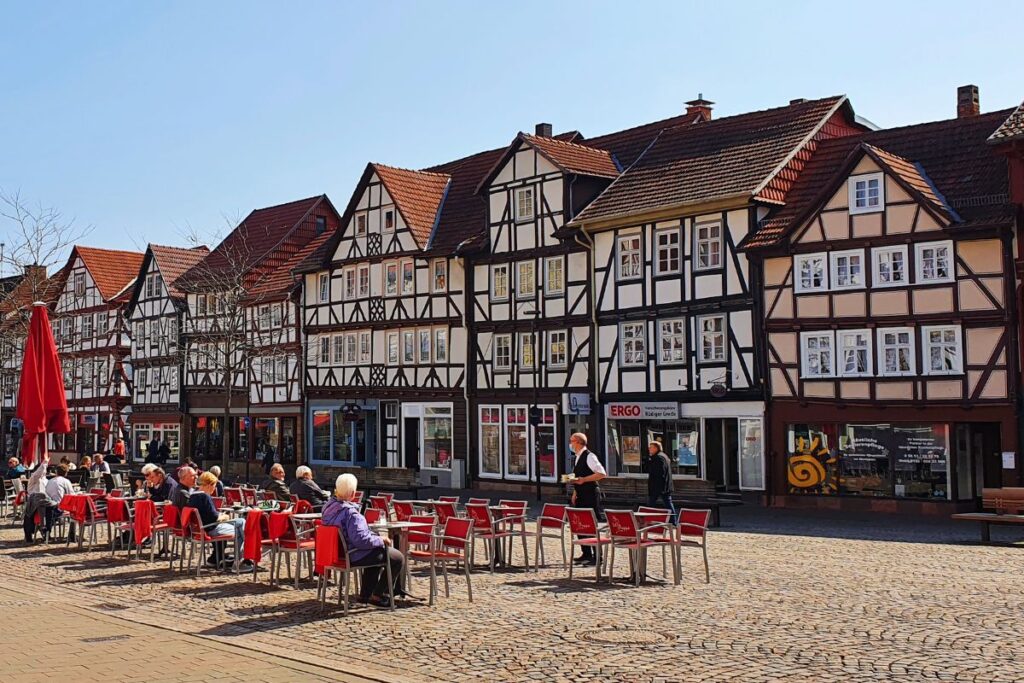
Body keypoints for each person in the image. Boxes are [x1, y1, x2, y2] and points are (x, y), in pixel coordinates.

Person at [321, 473, 403, 608]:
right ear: (353, 493)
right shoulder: (352, 514)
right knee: (397, 558)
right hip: (352, 553)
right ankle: (377, 595)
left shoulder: (327, 508)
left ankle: (366, 595)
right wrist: (381, 539)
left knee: (376, 553)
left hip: (335, 553)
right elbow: (361, 540)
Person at [187, 471, 248, 570]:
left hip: (203, 527)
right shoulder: (205, 497)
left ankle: (216, 558)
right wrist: (224, 517)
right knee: (241, 530)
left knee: (240, 521)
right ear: (208, 485)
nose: (214, 488)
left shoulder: (193, 496)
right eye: (214, 485)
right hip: (211, 528)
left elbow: (209, 514)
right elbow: (214, 517)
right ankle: (241, 560)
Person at [568, 432, 606, 566]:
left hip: (590, 494)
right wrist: (574, 492)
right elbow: (579, 475)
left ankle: (597, 556)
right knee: (580, 524)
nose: (570, 444)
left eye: (572, 441)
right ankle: (586, 553)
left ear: (578, 442)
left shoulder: (589, 456)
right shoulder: (577, 457)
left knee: (590, 524)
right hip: (580, 494)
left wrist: (584, 480)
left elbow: (601, 473)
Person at [646, 441, 676, 519]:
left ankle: (648, 520)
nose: (649, 449)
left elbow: (659, 473)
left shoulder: (658, 458)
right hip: (664, 486)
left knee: (652, 503)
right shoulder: (664, 456)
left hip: (659, 486)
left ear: (656, 448)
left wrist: (655, 486)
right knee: (668, 503)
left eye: (651, 447)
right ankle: (673, 522)